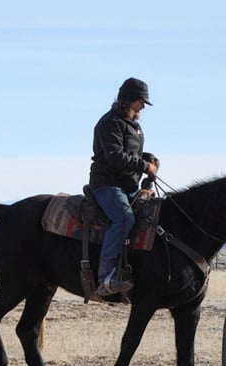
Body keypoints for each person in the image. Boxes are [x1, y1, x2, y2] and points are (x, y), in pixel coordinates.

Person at [88, 77, 159, 296]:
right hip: (107, 185)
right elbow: (115, 156)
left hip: (129, 185)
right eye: (141, 102)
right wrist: (144, 165)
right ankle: (106, 277)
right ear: (128, 100)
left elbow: (132, 154)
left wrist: (149, 159)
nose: (143, 107)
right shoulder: (109, 123)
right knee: (124, 217)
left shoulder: (134, 126)